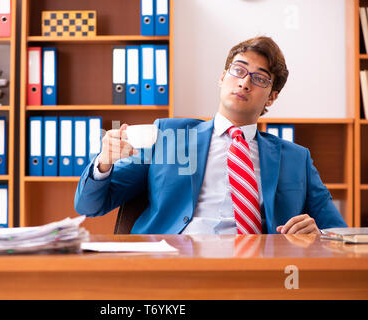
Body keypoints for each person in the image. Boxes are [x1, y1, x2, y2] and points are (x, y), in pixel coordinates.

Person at [74, 36, 347, 234]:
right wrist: (104, 162)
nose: (244, 82)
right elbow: (90, 205)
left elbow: (339, 232)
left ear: (271, 98)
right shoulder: (170, 136)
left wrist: (318, 235)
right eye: (238, 70)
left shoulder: (296, 159)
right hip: (172, 265)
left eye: (259, 78)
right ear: (222, 77)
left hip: (259, 273)